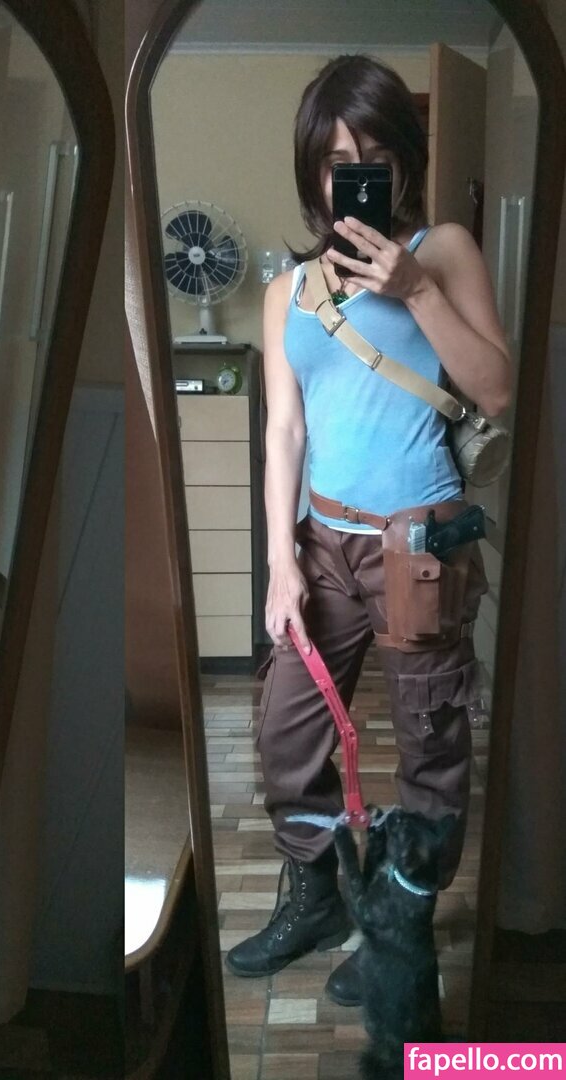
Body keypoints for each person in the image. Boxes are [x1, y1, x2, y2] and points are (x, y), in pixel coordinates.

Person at [224, 54, 510, 1009]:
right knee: (285, 731)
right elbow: (285, 431)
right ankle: (316, 895)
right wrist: (278, 561)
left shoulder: (446, 249)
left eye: (375, 161)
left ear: (404, 163)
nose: (355, 179)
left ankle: (401, 920)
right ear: (312, 172)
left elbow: (497, 389)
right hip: (321, 544)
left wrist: (418, 289)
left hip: (418, 544)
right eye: (337, 162)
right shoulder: (287, 291)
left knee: (430, 744)